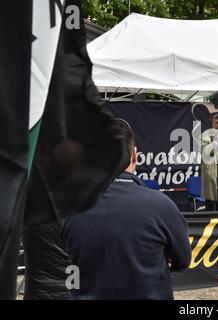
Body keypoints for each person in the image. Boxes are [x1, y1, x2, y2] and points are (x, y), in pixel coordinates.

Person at [61, 119, 191, 299]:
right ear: (135, 155)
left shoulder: (70, 210)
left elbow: (68, 263)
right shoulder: (162, 206)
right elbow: (182, 261)